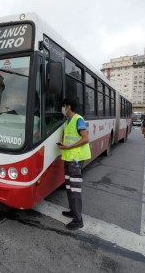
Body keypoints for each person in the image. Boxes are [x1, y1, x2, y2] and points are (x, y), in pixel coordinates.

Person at [57, 98, 91, 230]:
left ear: (68, 106)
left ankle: (78, 219)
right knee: (69, 186)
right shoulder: (67, 122)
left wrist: (69, 147)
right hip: (68, 158)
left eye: (63, 106)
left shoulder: (78, 119)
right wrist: (63, 145)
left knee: (75, 189)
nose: (63, 109)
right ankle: (72, 211)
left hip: (76, 160)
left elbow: (85, 138)